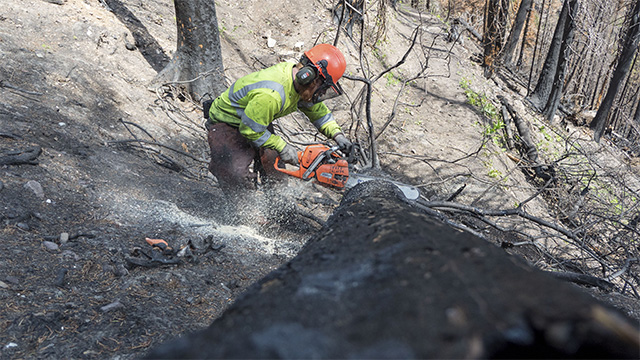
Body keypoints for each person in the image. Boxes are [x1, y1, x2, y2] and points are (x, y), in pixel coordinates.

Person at [203, 43, 353, 191]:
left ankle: (278, 205)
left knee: (274, 165)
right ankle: (242, 212)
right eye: (323, 88)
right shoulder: (272, 94)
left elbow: (318, 112)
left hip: (257, 119)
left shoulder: (300, 86)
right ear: (310, 77)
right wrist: (282, 146)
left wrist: (337, 135)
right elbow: (249, 129)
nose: (321, 93)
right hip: (227, 123)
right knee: (233, 172)